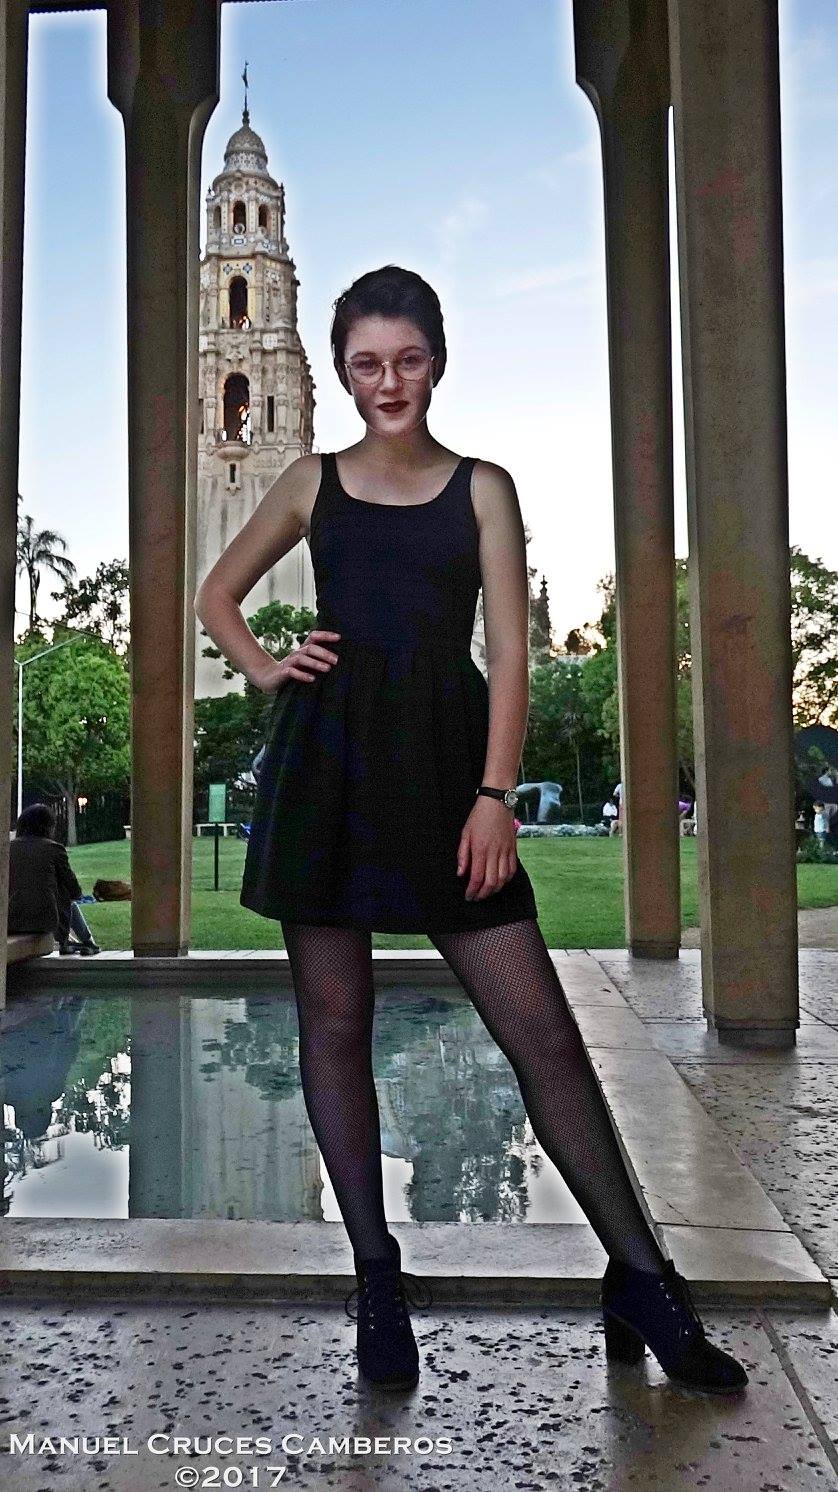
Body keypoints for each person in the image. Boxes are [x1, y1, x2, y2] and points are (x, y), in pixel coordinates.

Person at [194, 265, 746, 1397]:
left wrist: (495, 796)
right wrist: (265, 668)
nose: (387, 381)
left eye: (406, 359)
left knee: (543, 1035)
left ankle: (642, 1277)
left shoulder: (483, 487)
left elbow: (511, 654)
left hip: (449, 770)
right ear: (342, 373)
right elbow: (216, 595)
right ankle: (376, 1277)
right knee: (334, 1026)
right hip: (329, 770)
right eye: (365, 363)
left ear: (435, 363)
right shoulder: (309, 481)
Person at [7, 803, 100, 956]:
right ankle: (86, 941)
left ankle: (71, 941)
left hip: (10, 920)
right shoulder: (54, 848)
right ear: (48, 826)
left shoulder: (8, 848)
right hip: (44, 920)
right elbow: (73, 888)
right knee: (64, 892)